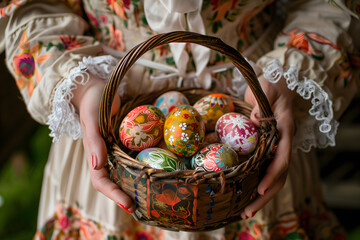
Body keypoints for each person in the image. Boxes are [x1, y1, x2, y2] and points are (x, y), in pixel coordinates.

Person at [1, 0, 359, 239]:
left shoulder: (258, 108)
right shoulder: (110, 105)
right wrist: (83, 86)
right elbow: (25, 5)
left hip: (258, 105)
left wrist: (288, 76)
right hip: (110, 112)